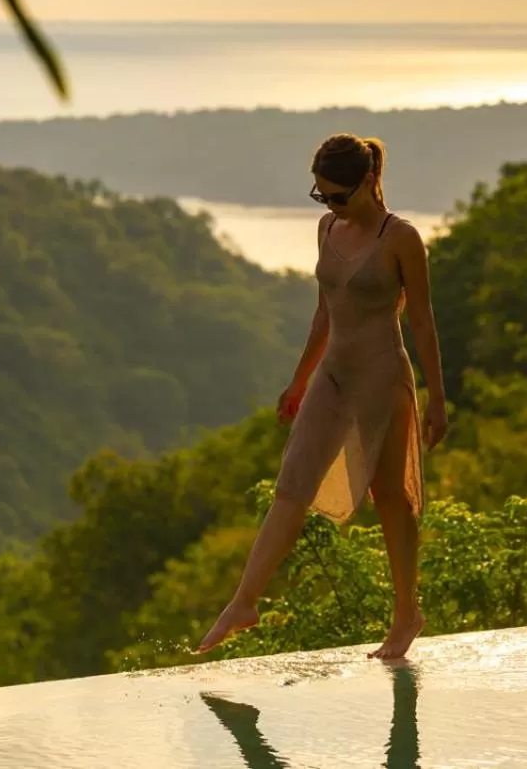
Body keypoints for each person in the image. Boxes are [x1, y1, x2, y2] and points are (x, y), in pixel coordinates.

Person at [197, 133, 449, 660]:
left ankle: (407, 613)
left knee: (391, 498)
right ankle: (243, 601)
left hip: (383, 378)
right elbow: (324, 312)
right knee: (291, 485)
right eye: (320, 195)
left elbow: (422, 321)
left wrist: (438, 397)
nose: (329, 204)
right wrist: (298, 379)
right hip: (333, 377)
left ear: (369, 181)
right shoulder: (326, 228)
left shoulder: (400, 237)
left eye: (337, 195)